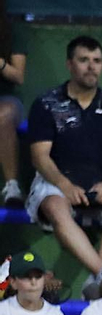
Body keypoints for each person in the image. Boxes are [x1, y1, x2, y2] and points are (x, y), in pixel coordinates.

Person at [26, 35, 102, 297]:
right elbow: (40, 157)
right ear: (69, 64)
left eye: (97, 61)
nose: (91, 67)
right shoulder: (46, 104)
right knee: (55, 206)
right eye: (84, 60)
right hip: (57, 180)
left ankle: (97, 282)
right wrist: (64, 185)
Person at [0, 9, 28, 208]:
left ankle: (12, 187)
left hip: (4, 98)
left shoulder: (11, 30)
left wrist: (0, 64)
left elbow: (18, 76)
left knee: (4, 115)